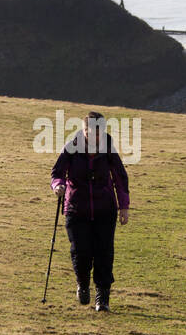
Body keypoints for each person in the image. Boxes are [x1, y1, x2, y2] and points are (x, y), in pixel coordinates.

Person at [51, 111, 130, 312]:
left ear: (102, 132)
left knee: (104, 254)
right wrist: (58, 186)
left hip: (105, 210)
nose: (92, 136)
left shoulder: (108, 150)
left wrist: (124, 206)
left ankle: (102, 299)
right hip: (77, 209)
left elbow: (120, 178)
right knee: (81, 251)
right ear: (83, 130)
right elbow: (57, 173)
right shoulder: (71, 148)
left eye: (97, 132)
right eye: (88, 131)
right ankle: (83, 284)